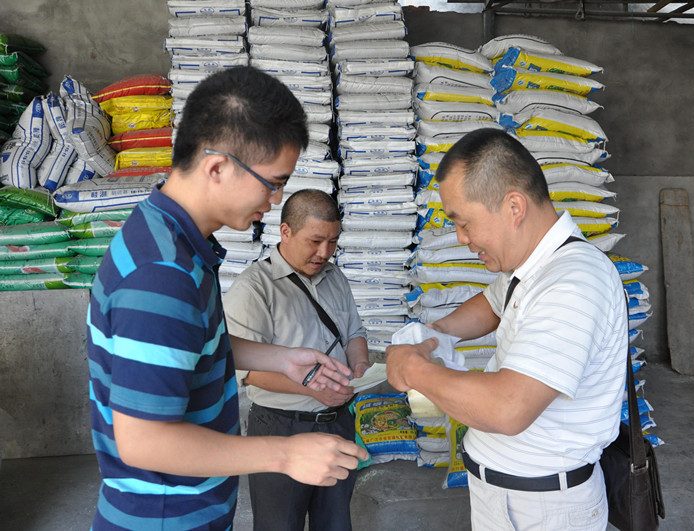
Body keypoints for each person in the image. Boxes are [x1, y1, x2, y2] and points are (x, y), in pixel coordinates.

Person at [86, 66, 368, 530]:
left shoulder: (172, 239)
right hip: (164, 518)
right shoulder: (161, 274)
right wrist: (284, 454)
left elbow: (188, 345)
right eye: (272, 182)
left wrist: (280, 358)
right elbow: (144, 442)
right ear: (217, 167)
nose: (275, 199)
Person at [386, 128, 628, 530]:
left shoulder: (573, 283)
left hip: (544, 511)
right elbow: (492, 304)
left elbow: (508, 408)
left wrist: (413, 369)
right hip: (515, 499)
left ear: (514, 206)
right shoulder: (533, 267)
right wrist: (437, 334)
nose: (462, 239)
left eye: (465, 223)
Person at [223, 188, 370, 531]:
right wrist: (313, 390)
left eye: (333, 242)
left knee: (335, 523)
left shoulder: (335, 277)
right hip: (281, 427)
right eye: (315, 241)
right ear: (286, 231)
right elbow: (247, 371)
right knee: (279, 524)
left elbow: (354, 333)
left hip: (338, 423)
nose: (324, 252)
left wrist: (361, 367)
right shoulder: (254, 287)